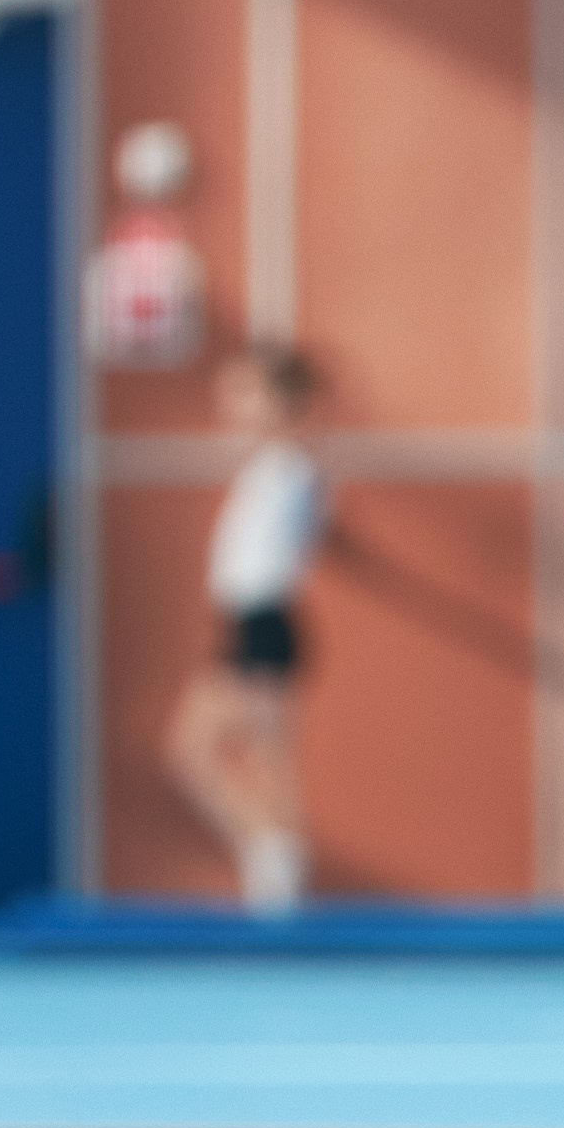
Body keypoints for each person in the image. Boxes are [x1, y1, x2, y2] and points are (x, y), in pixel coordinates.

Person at [165, 344, 328, 916]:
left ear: (281, 404)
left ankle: (277, 868)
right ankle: (277, 865)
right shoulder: (267, 469)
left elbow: (288, 550)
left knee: (208, 750)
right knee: (254, 755)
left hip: (263, 622)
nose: (232, 406)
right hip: (246, 622)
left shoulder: (293, 469)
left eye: (246, 393)